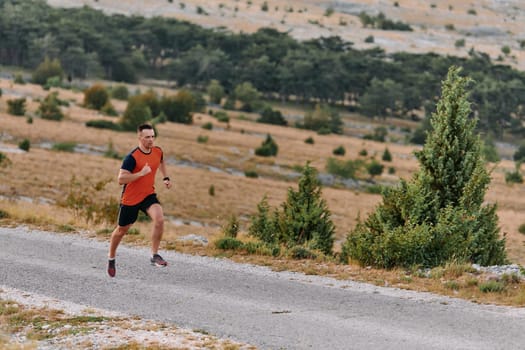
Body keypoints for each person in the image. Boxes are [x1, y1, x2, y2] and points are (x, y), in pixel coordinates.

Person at [107, 123, 172, 277]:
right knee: (121, 230)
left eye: (153, 136)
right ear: (140, 138)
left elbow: (161, 161)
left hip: (148, 195)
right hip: (131, 199)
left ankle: (154, 255)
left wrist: (166, 177)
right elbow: (121, 179)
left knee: (160, 219)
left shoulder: (157, 151)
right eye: (147, 137)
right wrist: (140, 174)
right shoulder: (132, 157)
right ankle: (111, 257)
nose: (151, 140)